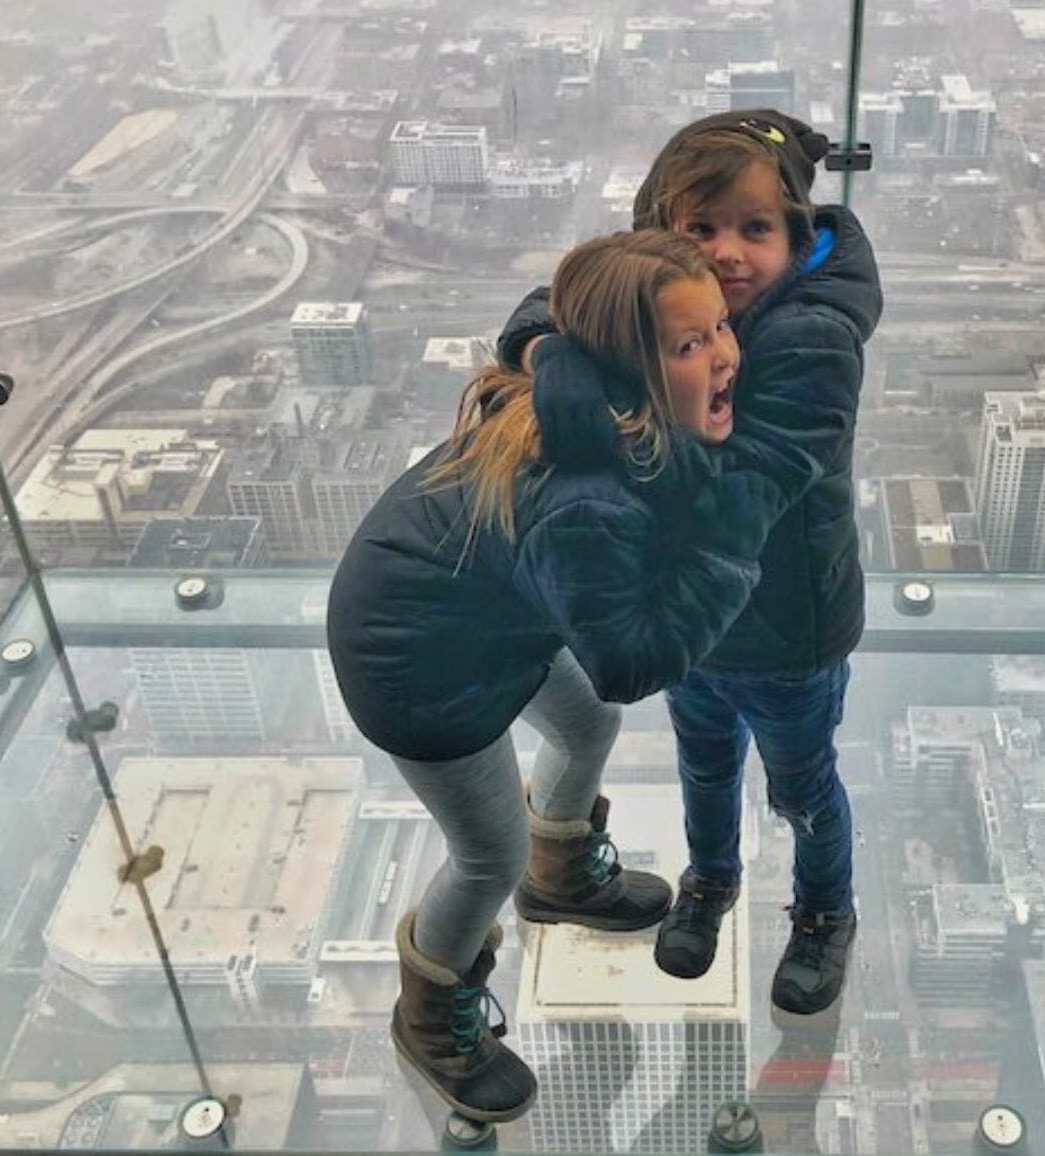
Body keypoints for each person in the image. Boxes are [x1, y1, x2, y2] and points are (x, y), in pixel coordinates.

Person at [327, 230, 816, 1122]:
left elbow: (559, 303)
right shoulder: (582, 498)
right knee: (486, 857)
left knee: (586, 726)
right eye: (689, 344)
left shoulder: (587, 390)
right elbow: (630, 660)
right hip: (419, 672)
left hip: (476, 622)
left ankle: (560, 878)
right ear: (629, 365)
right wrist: (728, 545)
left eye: (718, 328)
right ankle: (430, 1018)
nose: (725, 354)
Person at [498, 110, 882, 1016]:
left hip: (790, 628)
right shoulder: (664, 295)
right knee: (703, 767)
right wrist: (551, 350)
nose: (725, 253)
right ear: (659, 231)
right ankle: (711, 881)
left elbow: (736, 496)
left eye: (756, 229)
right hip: (688, 621)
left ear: (799, 234)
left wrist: (593, 411)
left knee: (805, 787)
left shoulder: (812, 342)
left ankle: (827, 911)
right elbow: (551, 307)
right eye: (698, 229)